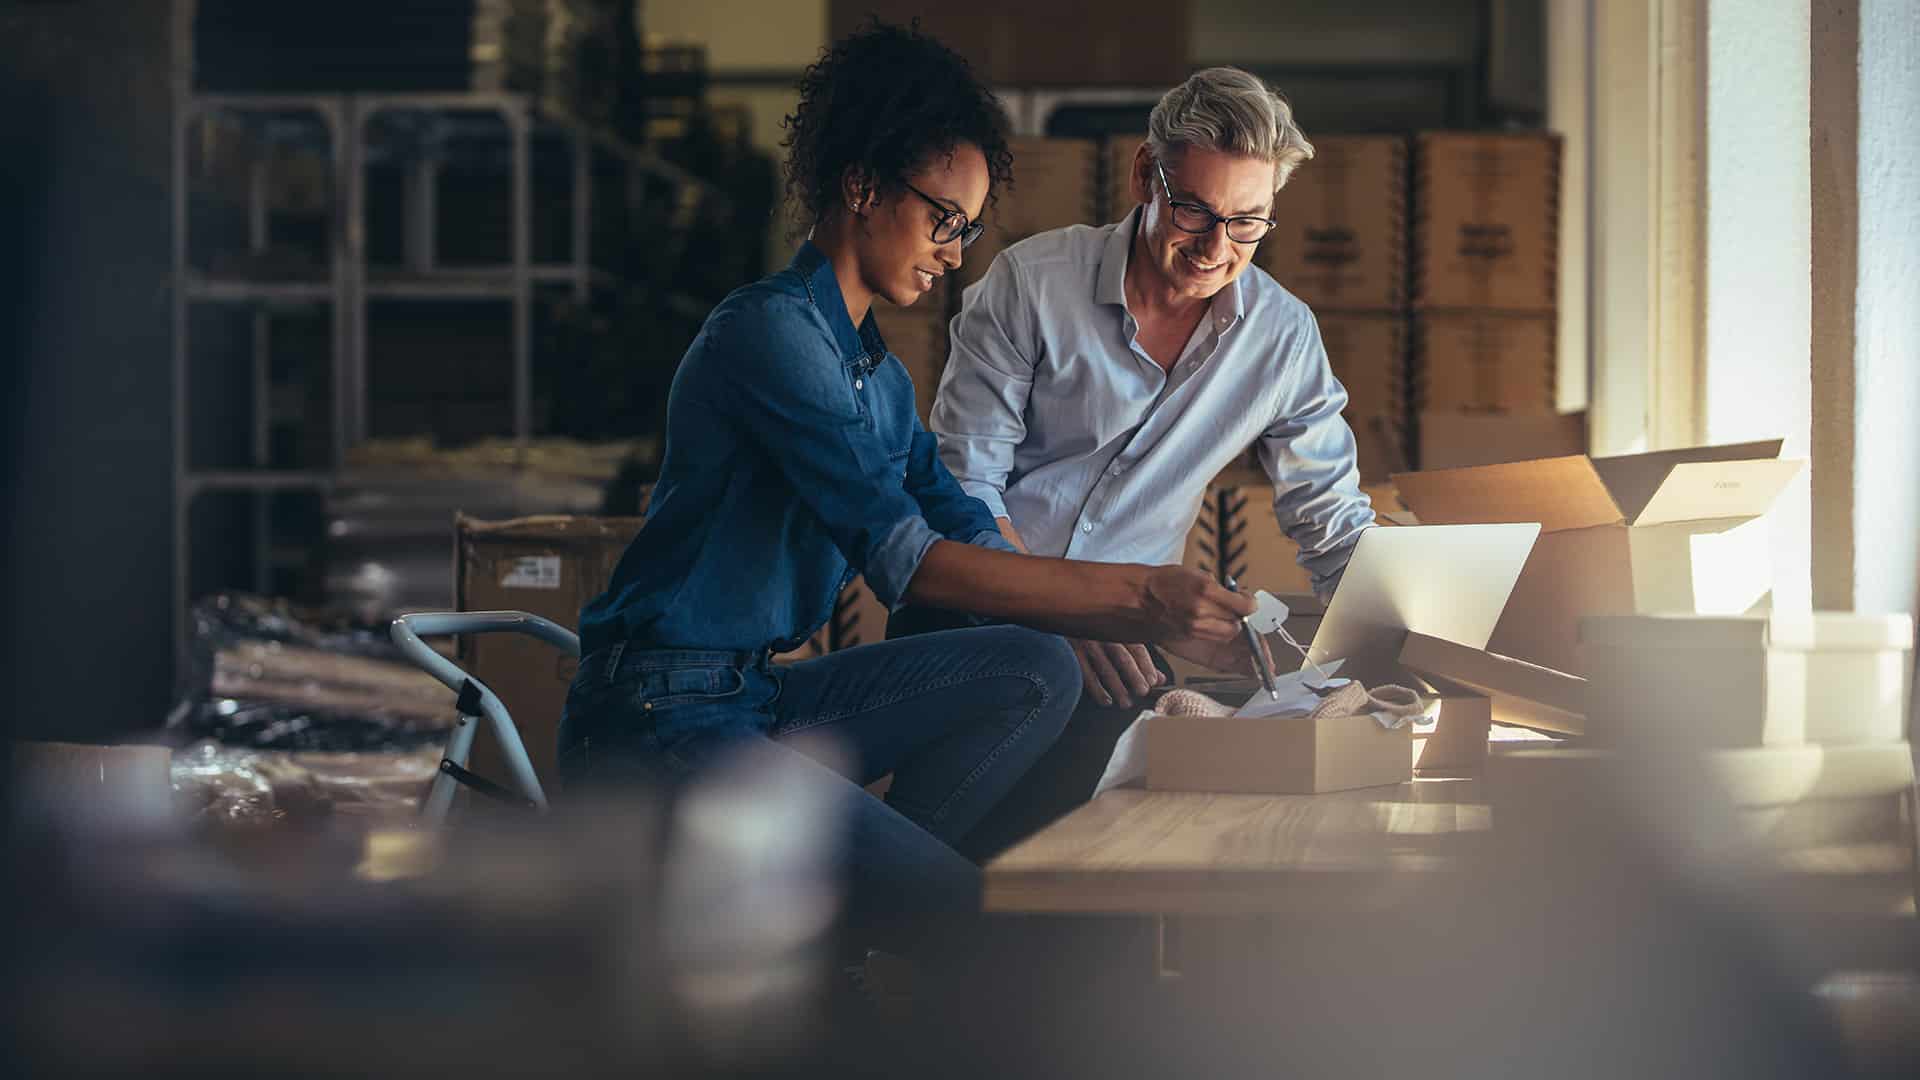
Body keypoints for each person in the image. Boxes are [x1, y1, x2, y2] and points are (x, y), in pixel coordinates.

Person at [558, 23, 1255, 948]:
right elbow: (912, 565)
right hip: (655, 717)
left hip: (754, 699)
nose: (956, 252)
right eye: (945, 219)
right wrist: (1138, 596)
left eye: (968, 230)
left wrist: (1092, 623)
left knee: (1035, 664)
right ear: (862, 185)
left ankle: (842, 934)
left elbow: (959, 514)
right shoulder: (771, 336)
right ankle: (867, 928)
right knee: (961, 914)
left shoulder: (874, 375)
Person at [896, 67, 1377, 858]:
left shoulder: (1283, 338)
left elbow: (1330, 524)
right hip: (979, 613)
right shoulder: (1031, 284)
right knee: (953, 872)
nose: (1217, 248)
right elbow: (963, 488)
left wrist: (1403, 631)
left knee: (1101, 873)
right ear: (1143, 178)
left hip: (1124, 642)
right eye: (1194, 210)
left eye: (1249, 222)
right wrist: (1065, 605)